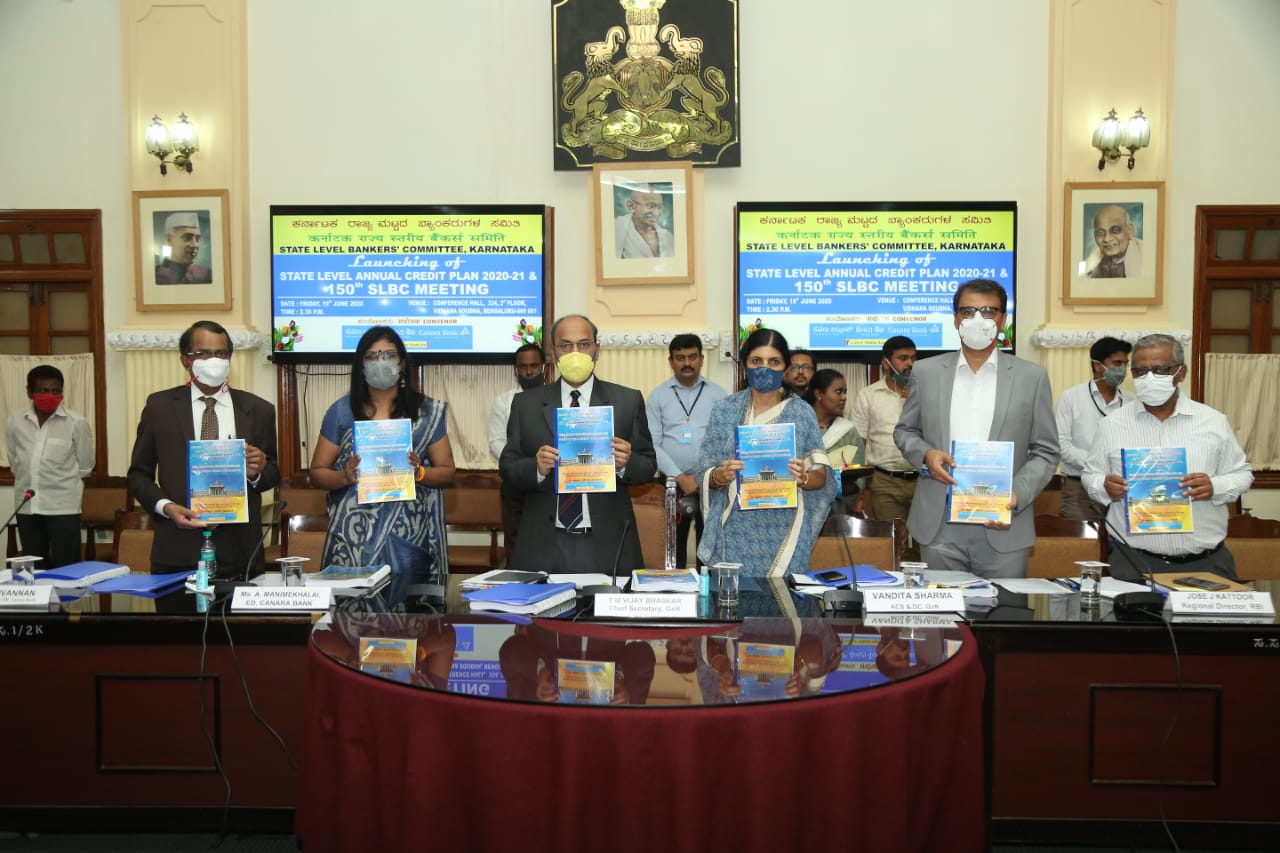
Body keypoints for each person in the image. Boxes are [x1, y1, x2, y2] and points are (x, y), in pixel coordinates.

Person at [893, 280, 1059, 579]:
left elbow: (1046, 450)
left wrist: (1017, 494)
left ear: (1003, 320)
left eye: (988, 311)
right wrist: (926, 454)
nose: (978, 320)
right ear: (956, 319)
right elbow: (905, 430)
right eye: (968, 311)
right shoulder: (926, 372)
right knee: (944, 623)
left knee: (1003, 621)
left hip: (1004, 523)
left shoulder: (1031, 377)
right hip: (938, 524)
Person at [1082, 333, 1253, 582]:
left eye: (1161, 369)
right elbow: (1090, 474)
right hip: (1132, 564)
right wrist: (1103, 485)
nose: (1150, 378)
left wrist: (1215, 486)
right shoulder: (1112, 424)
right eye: (1140, 371)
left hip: (1206, 563)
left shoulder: (1213, 421)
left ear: (1181, 373)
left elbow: (1242, 474)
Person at [499, 314, 657, 574]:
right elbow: (507, 466)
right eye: (566, 345)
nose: (575, 352)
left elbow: (648, 464)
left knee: (602, 616)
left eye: (584, 344)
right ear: (553, 351)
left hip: (606, 542)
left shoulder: (627, 401)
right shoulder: (525, 404)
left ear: (597, 349)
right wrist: (536, 468)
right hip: (544, 543)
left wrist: (625, 464)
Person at [127, 320, 279, 575]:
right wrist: (165, 507)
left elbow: (272, 474)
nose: (214, 360)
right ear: (185, 360)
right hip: (177, 549)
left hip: (240, 552)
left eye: (221, 353)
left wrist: (257, 472)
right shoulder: (159, 407)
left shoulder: (259, 410)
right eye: (203, 353)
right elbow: (137, 475)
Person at [309, 326, 456, 582]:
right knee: (351, 619)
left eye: (388, 355)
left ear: (401, 362)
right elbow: (317, 473)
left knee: (411, 620)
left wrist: (418, 472)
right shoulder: (342, 411)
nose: (381, 362)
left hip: (410, 540)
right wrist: (344, 477)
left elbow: (447, 473)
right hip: (353, 542)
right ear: (360, 364)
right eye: (372, 356)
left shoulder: (427, 411)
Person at [696, 329, 836, 577]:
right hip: (735, 530)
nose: (764, 368)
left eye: (774, 362)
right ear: (745, 365)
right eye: (756, 361)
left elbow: (821, 477)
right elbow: (705, 473)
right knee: (736, 607)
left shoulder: (802, 412)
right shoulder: (725, 410)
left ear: (785, 368)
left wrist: (802, 477)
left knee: (784, 610)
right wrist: (721, 474)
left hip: (786, 531)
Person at [646, 333, 727, 568]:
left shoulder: (719, 395)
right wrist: (681, 478)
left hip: (711, 483)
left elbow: (724, 440)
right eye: (680, 358)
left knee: (709, 549)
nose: (687, 363)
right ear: (671, 361)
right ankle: (675, 594)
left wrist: (704, 477)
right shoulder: (658, 396)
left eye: (692, 357)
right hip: (671, 483)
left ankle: (708, 598)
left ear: (702, 359)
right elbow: (652, 443)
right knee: (672, 550)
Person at [4, 365, 94, 569]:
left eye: (55, 391)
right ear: (30, 392)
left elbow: (86, 465)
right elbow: (14, 459)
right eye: (43, 390)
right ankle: (38, 602)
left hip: (63, 505)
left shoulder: (76, 422)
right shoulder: (15, 421)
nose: (50, 395)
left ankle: (70, 603)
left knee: (68, 567)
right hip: (27, 505)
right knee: (33, 568)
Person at [1054, 336, 1133, 521]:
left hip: (1122, 489)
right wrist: (1098, 467)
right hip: (1080, 488)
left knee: (1119, 545)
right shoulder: (1071, 398)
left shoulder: (1132, 402)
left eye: (1125, 364)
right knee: (1081, 548)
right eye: (1117, 363)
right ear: (1098, 365)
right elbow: (1061, 445)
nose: (1123, 370)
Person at [850, 336, 919, 539]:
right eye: (903, 358)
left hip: (922, 481)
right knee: (893, 543)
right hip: (884, 481)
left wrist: (915, 399)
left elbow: (936, 432)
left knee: (922, 543)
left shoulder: (925, 393)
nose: (909, 364)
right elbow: (859, 442)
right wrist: (861, 489)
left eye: (913, 358)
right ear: (886, 363)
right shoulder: (869, 395)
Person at [488, 343, 546, 559]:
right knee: (516, 541)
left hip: (549, 481)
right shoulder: (503, 401)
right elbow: (496, 442)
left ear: (543, 367)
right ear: (516, 369)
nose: (529, 372)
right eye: (523, 367)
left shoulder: (558, 398)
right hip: (515, 483)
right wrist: (523, 465)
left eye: (534, 365)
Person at [807, 368, 865, 513]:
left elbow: (859, 479)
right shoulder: (800, 426)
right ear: (819, 394)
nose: (844, 397)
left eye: (845, 392)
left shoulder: (848, 432)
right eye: (838, 392)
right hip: (800, 506)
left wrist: (837, 486)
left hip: (835, 511)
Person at [614, 184, 674, 259]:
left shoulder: (667, 237)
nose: (656, 212)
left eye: (659, 207)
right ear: (631, 206)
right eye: (650, 205)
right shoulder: (617, 228)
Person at [1084, 205, 1143, 278]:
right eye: (1100, 233)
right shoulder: (1093, 260)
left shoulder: (1146, 253)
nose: (1107, 239)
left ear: (1130, 231)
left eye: (1115, 230)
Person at [154, 212, 212, 284]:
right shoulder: (154, 276)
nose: (194, 245)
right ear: (169, 239)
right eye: (187, 237)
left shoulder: (206, 276)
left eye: (197, 239)